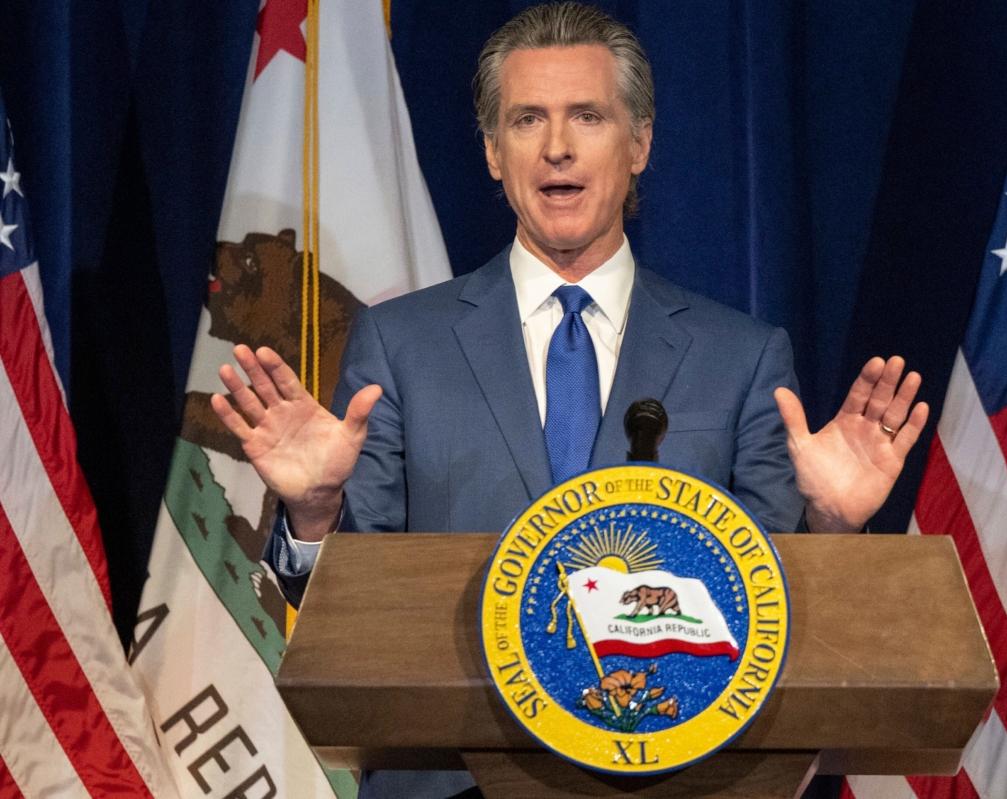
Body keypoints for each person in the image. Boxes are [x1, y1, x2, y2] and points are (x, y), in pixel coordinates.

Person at [212, 4, 927, 797]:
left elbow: (771, 613)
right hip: (455, 781)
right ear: (491, 151)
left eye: (587, 116)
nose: (557, 146)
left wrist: (831, 525)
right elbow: (351, 614)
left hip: (678, 779)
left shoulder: (743, 358)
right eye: (527, 120)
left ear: (640, 144)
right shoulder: (401, 345)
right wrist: (314, 514)